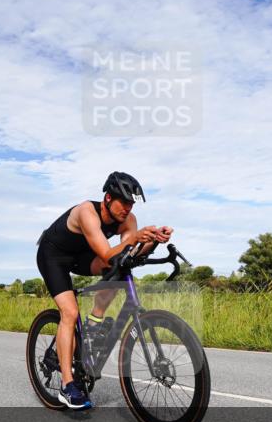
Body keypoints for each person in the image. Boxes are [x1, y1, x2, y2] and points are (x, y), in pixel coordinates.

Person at [35, 172, 172, 409]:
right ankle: (68, 386)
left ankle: (93, 323)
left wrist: (153, 241)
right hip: (53, 256)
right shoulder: (86, 212)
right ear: (108, 198)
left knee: (120, 266)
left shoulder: (128, 219)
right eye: (124, 202)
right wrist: (135, 238)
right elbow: (108, 253)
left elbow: (128, 254)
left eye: (131, 203)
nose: (128, 208)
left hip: (83, 256)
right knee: (70, 313)